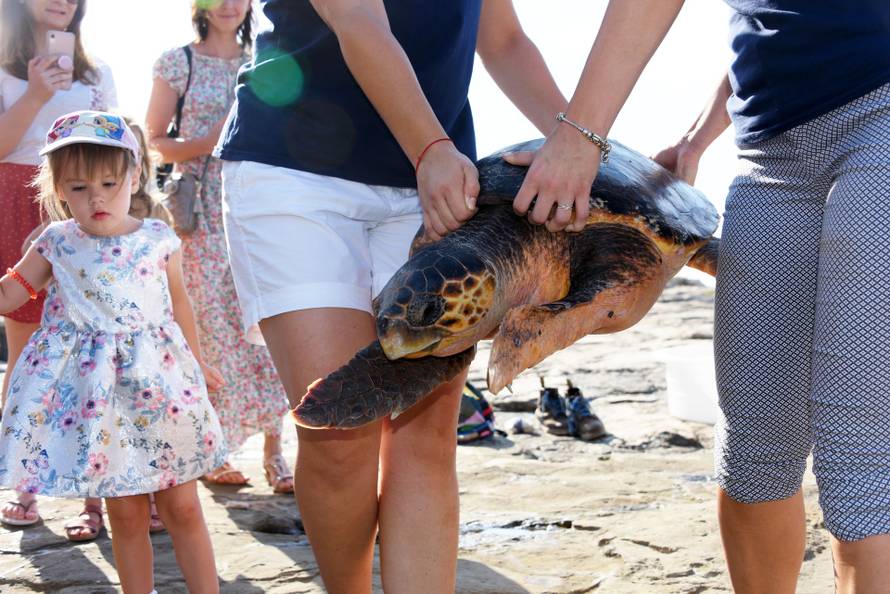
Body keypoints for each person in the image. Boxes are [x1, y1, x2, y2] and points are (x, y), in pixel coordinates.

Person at [510, 2, 890, 592]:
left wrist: (580, 137)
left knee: (860, 452)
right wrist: (696, 136)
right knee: (754, 448)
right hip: (770, 154)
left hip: (881, 116)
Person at [216, 1, 571, 591]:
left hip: (435, 183)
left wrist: (580, 146)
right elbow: (358, 18)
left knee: (426, 437)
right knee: (340, 433)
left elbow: (504, 40)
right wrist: (430, 149)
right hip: (296, 172)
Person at [0, 111, 226, 594]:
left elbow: (177, 304)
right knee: (125, 512)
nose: (97, 196)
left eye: (108, 181)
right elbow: (10, 295)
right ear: (59, 188)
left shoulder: (157, 240)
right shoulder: (56, 242)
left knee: (181, 504)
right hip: (97, 399)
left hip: (159, 385)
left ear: (136, 175)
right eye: (79, 187)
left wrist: (197, 361)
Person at [145, 0, 293, 493]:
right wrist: (211, 140)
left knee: (271, 322)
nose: (231, 3)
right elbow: (151, 142)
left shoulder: (267, 57)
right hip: (200, 216)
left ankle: (277, 452)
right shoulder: (176, 62)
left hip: (261, 205)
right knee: (210, 333)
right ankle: (217, 448)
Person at [0, 0, 119, 536]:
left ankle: (94, 494)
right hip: (13, 199)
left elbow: (116, 151)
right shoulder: (3, 69)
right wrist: (37, 92)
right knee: (27, 355)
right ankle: (25, 483)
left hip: (84, 206)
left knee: (95, 352)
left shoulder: (99, 76)